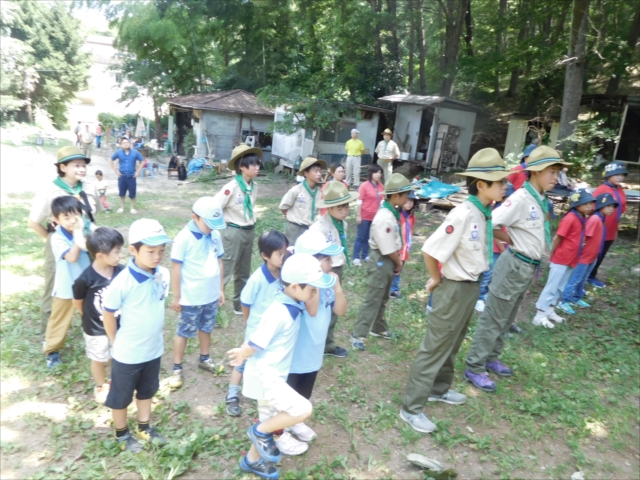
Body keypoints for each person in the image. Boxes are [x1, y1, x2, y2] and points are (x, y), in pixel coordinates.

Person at [399, 148, 509, 433]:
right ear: (482, 185)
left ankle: (439, 388)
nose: (505, 185)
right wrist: (435, 280)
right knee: (435, 346)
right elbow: (430, 250)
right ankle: (411, 408)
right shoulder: (462, 214)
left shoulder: (484, 213)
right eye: (500, 181)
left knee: (454, 341)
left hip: (470, 287)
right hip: (454, 289)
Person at [464, 146, 572, 393]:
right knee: (493, 318)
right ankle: (475, 366)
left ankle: (492, 358)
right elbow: (489, 220)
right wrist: (510, 240)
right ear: (534, 172)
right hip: (514, 265)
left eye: (557, 172)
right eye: (551, 172)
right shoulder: (521, 198)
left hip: (527, 268)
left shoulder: (540, 199)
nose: (556, 177)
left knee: (508, 317)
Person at [227, 253, 335, 480]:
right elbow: (257, 340)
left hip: (274, 375)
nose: (315, 292)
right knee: (302, 409)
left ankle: (251, 461)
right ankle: (259, 432)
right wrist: (242, 352)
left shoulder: (291, 302)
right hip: (268, 378)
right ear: (295, 287)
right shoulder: (278, 311)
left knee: (269, 420)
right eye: (312, 289)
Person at [102, 218, 172, 453]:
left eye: (161, 251)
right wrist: (115, 341)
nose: (157, 256)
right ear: (133, 250)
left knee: (147, 391)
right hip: (128, 353)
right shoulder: (122, 282)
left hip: (153, 349)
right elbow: (108, 313)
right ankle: (122, 433)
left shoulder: (163, 274)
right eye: (150, 251)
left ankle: (144, 426)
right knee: (121, 396)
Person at [280, 232, 346, 454]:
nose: (332, 263)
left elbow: (341, 310)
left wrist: (336, 288)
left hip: (314, 350)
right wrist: (315, 280)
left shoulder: (327, 281)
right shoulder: (302, 287)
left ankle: (295, 420)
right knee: (289, 390)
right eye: (327, 259)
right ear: (312, 263)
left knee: (305, 389)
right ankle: (280, 430)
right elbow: (313, 308)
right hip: (297, 351)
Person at [28, 146, 101, 335]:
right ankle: (49, 337)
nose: (82, 169)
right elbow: (34, 222)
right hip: (61, 243)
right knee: (55, 289)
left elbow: (93, 215)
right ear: (62, 167)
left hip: (88, 242)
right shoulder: (50, 189)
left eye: (84, 165)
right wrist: (54, 240)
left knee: (92, 283)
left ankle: (92, 326)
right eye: (76, 165)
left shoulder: (89, 187)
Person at [350, 173, 418, 351]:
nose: (407, 198)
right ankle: (358, 334)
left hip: (388, 260)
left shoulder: (392, 212)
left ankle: (378, 328)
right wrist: (399, 262)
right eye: (405, 195)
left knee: (383, 296)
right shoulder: (385, 217)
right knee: (374, 297)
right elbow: (387, 248)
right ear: (395, 195)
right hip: (382, 259)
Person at [225, 231, 289, 417]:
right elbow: (245, 302)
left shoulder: (284, 274)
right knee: (243, 361)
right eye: (279, 254)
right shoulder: (257, 279)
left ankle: (266, 395)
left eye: (284, 252)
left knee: (267, 362)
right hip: (256, 330)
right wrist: (249, 322)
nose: (283, 257)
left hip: (274, 331)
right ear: (264, 256)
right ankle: (232, 394)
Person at [168, 198, 227, 389]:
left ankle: (204, 357)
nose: (211, 228)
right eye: (208, 224)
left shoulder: (215, 234)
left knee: (207, 327)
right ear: (194, 217)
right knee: (184, 330)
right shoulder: (184, 238)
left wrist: (220, 289)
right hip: (192, 297)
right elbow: (176, 268)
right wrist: (177, 296)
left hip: (210, 295)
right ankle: (177, 367)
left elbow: (219, 262)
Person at [72, 227, 125, 403]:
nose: (119, 256)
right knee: (98, 357)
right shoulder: (85, 278)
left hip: (119, 325)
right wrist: (88, 316)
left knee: (116, 353)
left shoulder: (121, 272)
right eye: (116, 252)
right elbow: (77, 302)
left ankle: (115, 380)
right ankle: (101, 385)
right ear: (100, 255)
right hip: (96, 328)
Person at [532, 189, 595, 327]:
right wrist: (552, 255)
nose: (590, 206)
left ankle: (550, 310)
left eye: (591, 203)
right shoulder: (570, 218)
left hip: (571, 259)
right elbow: (557, 238)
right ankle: (539, 314)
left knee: (560, 287)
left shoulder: (582, 217)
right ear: (577, 204)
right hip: (560, 259)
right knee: (551, 287)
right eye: (587, 203)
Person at [310, 181, 359, 358]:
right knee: (321, 307)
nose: (344, 210)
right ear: (329, 208)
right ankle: (316, 344)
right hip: (324, 271)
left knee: (333, 308)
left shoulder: (342, 224)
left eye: (346, 206)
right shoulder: (319, 228)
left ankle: (327, 343)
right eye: (339, 207)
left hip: (337, 269)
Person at [212, 145, 262, 315]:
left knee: (244, 270)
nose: (257, 168)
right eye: (253, 165)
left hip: (248, 230)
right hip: (233, 231)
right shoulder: (231, 188)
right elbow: (215, 207)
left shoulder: (254, 187)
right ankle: (213, 302)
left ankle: (239, 304)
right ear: (242, 167)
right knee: (226, 267)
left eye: (258, 164)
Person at [44, 196, 91, 368]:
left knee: (91, 315)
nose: (72, 221)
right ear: (56, 220)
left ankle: (94, 344)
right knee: (59, 320)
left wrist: (86, 230)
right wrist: (78, 234)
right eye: (66, 217)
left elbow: (98, 238)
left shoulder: (85, 226)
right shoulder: (57, 238)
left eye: (76, 215)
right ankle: (52, 351)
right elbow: (72, 257)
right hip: (66, 287)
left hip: (86, 284)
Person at [562, 193, 618, 307]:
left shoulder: (601, 219)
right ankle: (565, 301)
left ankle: (577, 298)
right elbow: (584, 237)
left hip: (593, 256)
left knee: (583, 279)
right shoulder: (595, 219)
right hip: (585, 257)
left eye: (613, 206)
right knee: (576, 279)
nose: (611, 209)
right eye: (608, 206)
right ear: (600, 206)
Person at [588, 162, 628, 288]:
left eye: (622, 175)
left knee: (602, 253)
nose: (620, 177)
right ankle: (582, 275)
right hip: (599, 228)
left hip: (611, 228)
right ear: (608, 175)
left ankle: (591, 275)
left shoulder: (620, 190)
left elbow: (621, 209)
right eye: (616, 175)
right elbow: (591, 209)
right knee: (593, 252)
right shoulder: (601, 190)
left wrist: (616, 229)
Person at [279, 156, 327, 244]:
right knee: (293, 253)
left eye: (320, 171)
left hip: (311, 229)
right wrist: (293, 217)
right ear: (306, 173)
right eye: (315, 171)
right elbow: (283, 206)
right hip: (295, 229)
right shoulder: (296, 190)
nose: (319, 174)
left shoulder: (319, 193)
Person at [353, 164, 384, 266]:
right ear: (371, 173)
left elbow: (382, 201)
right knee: (360, 237)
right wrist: (358, 215)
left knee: (369, 238)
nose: (378, 175)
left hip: (375, 217)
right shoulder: (364, 185)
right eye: (376, 172)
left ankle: (365, 255)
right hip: (364, 216)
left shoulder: (381, 187)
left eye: (380, 173)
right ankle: (356, 257)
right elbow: (359, 201)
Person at [390, 190, 417, 299]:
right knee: (394, 267)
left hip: (405, 247)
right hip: (397, 247)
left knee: (399, 269)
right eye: (407, 201)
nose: (409, 203)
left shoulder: (411, 217)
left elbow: (409, 231)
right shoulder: (397, 215)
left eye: (411, 201)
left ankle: (393, 288)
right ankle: (392, 289)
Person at [109, 137, 145, 214]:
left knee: (132, 193)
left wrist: (138, 171)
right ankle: (121, 208)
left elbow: (142, 161)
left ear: (130, 143)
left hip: (132, 176)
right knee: (122, 193)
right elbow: (110, 160)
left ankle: (132, 208)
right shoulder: (118, 152)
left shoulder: (135, 152)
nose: (126, 144)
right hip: (122, 176)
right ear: (121, 145)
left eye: (127, 142)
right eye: (124, 143)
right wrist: (115, 170)